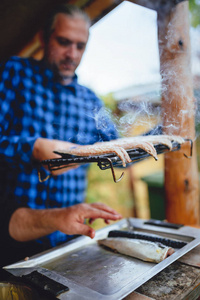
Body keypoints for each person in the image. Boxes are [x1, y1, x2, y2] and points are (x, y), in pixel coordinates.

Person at [0, 4, 122, 264]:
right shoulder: (16, 72)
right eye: (64, 42)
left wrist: (158, 137)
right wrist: (32, 149)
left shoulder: (90, 100)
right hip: (14, 234)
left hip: (70, 237)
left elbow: (119, 151)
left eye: (80, 46)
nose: (72, 54)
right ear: (44, 38)